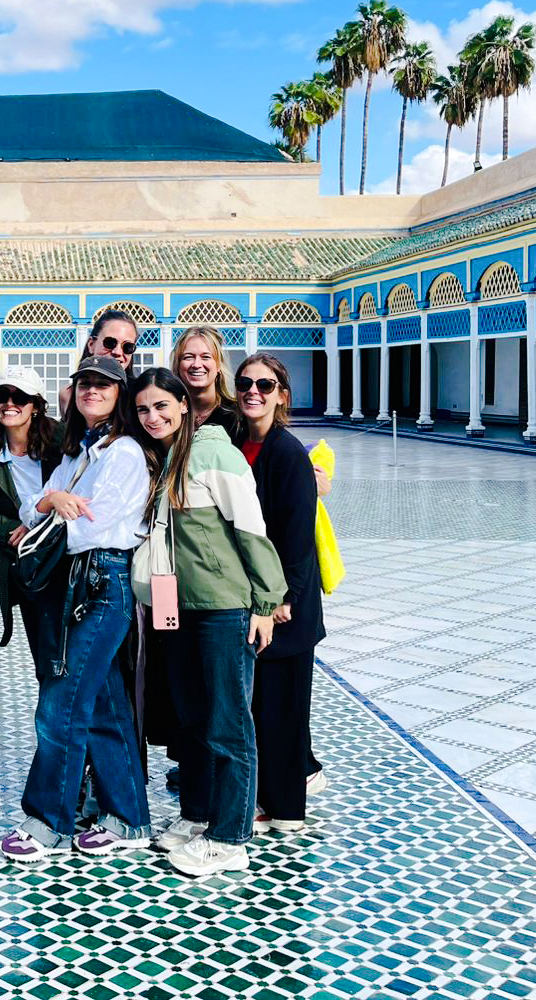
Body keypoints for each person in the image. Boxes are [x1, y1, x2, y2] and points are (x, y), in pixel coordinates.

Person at [0, 356, 155, 862]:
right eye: (84, 383)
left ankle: (47, 820)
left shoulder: (124, 452)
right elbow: (35, 505)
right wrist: (50, 504)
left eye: (103, 385)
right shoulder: (80, 451)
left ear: (120, 394)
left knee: (61, 703)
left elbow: (92, 524)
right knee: (105, 705)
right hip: (80, 579)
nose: (91, 390)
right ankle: (128, 818)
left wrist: (53, 513)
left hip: (101, 581)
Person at [131, 367, 285, 877]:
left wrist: (265, 602)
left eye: (161, 406)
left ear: (182, 404)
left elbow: (252, 530)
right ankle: (197, 813)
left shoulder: (215, 452)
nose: (152, 417)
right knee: (191, 718)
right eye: (143, 410)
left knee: (228, 721)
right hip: (177, 607)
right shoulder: (162, 458)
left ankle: (231, 834)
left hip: (222, 606)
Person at [234, 353, 326, 839]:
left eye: (265, 385)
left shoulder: (288, 453)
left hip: (284, 604)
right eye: (246, 383)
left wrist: (278, 601)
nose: (254, 392)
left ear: (282, 395)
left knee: (284, 709)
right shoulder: (238, 443)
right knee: (260, 705)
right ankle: (264, 798)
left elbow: (295, 537)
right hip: (256, 596)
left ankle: (286, 807)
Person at [0, 366, 62, 667]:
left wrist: (37, 525)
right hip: (26, 563)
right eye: (2, 396)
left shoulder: (61, 444)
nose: (9, 403)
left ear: (36, 405)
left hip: (66, 557)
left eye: (20, 397)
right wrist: (13, 528)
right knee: (43, 655)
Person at [57, 309, 140, 413]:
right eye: (110, 343)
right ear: (91, 345)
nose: (117, 352)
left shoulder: (139, 395)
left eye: (128, 347)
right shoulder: (68, 395)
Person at [171, 326, 240, 437]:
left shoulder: (236, 416)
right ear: (178, 365)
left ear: (218, 365)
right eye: (188, 357)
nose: (197, 365)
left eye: (206, 357)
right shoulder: (169, 414)